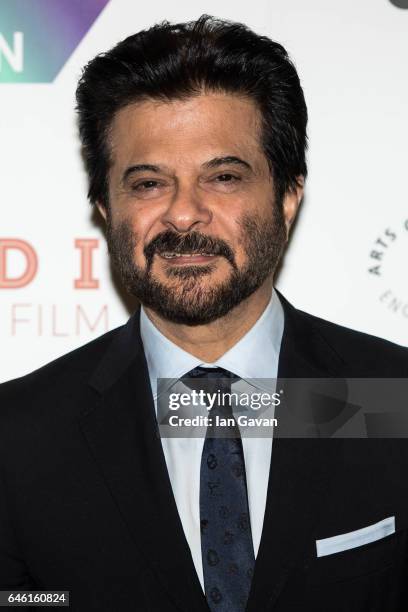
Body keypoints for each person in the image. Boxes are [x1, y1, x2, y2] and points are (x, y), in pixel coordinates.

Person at [0, 15, 407, 612]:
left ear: (288, 194)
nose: (183, 214)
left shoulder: (390, 398)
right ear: (106, 209)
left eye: (222, 177)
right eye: (147, 184)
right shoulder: (18, 439)